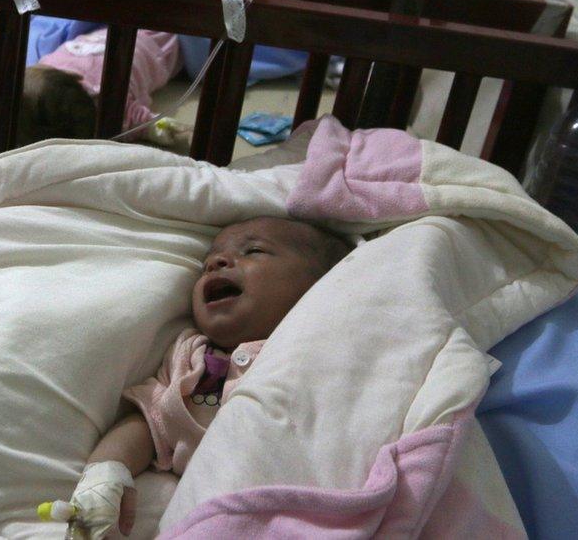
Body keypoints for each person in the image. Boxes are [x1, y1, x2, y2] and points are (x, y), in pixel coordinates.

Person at [38, 217, 352, 538]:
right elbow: (149, 424)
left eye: (254, 251)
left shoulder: (319, 339)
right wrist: (104, 476)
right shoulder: (192, 360)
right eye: (206, 265)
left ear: (323, 282)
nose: (215, 263)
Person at [0, 28, 191, 147]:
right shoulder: (112, 103)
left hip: (114, 30)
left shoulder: (35, 84)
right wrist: (160, 127)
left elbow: (2, 72)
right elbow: (141, 120)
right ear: (74, 79)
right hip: (161, 48)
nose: (23, 71)